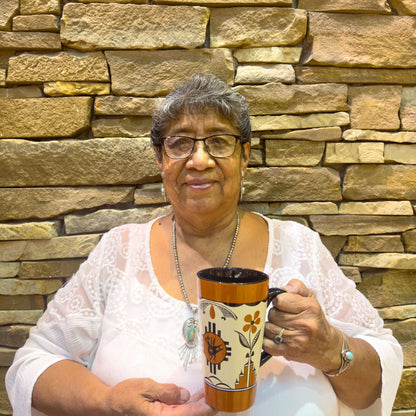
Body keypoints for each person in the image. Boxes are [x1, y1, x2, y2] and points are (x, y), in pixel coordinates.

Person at [6, 73, 403, 416]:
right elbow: (32, 365)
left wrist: (333, 351)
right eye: (179, 144)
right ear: (161, 159)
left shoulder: (299, 247)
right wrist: (108, 400)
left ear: (244, 156)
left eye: (218, 141)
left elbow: (376, 377)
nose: (199, 160)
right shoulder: (119, 251)